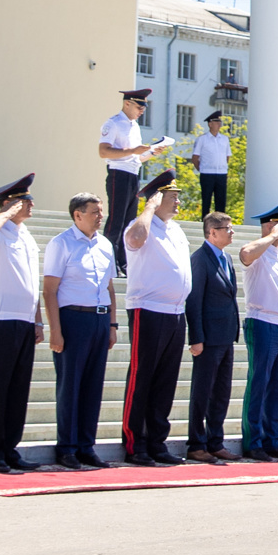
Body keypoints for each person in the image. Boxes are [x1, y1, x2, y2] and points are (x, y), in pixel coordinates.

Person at [122, 169, 192, 466]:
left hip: (175, 313)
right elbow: (136, 240)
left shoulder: (176, 230)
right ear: (158, 198)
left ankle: (157, 442)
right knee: (142, 378)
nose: (178, 202)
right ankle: (135, 443)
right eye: (172, 197)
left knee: (165, 381)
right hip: (147, 309)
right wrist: (149, 206)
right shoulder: (141, 225)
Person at [0, 174, 44, 474]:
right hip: (0, 319)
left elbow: (33, 280)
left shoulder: (26, 235)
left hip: (25, 320)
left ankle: (10, 447)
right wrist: (5, 213)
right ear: (10, 203)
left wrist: (38, 320)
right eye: (25, 201)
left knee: (19, 389)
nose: (31, 205)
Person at [43, 192, 117, 469]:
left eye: (101, 211)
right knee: (70, 386)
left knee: (92, 386)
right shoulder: (61, 244)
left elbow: (109, 288)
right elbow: (50, 290)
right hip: (73, 318)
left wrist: (112, 324)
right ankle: (67, 448)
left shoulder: (105, 244)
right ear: (77, 215)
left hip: (99, 319)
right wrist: (55, 331)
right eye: (94, 212)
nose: (101, 216)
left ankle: (87, 446)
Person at [240, 201, 278, 462]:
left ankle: (272, 438)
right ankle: (253, 441)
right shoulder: (260, 249)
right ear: (270, 225)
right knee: (259, 383)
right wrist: (271, 235)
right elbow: (245, 254)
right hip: (262, 321)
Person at [185, 211, 241, 463]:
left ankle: (215, 441)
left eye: (231, 227)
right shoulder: (200, 259)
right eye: (226, 228)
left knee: (221, 391)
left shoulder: (226, 258)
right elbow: (194, 300)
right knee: (202, 391)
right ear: (212, 232)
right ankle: (196, 444)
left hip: (226, 335)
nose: (232, 232)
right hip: (207, 338)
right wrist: (196, 337)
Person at [99, 88, 160, 276]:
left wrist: (151, 153)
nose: (142, 110)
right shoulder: (114, 123)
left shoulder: (134, 126)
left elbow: (135, 158)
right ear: (127, 103)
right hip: (119, 174)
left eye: (144, 107)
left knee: (128, 222)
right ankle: (108, 261)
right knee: (116, 221)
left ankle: (123, 262)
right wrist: (133, 151)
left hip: (133, 175)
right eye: (139, 106)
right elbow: (104, 152)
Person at [191, 110, 231, 214]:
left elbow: (227, 156)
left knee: (221, 201)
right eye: (216, 122)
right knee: (206, 200)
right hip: (207, 173)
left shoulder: (224, 139)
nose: (219, 124)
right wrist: (202, 169)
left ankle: (221, 224)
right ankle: (205, 224)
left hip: (221, 173)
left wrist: (223, 167)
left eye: (220, 122)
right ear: (210, 124)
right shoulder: (202, 139)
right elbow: (195, 158)